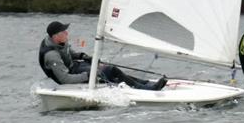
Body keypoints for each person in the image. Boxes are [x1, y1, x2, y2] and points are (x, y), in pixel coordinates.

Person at [39, 21, 167, 90]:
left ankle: (145, 83)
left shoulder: (60, 41)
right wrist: (88, 75)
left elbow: (69, 54)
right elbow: (64, 79)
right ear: (55, 36)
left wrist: (83, 56)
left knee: (108, 68)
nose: (67, 33)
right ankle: (147, 89)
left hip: (76, 66)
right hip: (72, 75)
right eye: (63, 32)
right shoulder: (51, 55)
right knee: (110, 71)